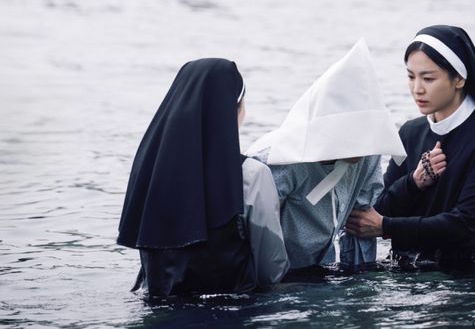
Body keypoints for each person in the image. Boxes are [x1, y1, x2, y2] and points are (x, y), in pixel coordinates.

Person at [346, 25, 475, 267]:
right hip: (414, 267)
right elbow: (378, 208)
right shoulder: (410, 132)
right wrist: (413, 183)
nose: (417, 89)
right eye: (411, 77)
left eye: (428, 78)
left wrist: (386, 228)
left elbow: (465, 223)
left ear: (459, 79)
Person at [117, 58, 289, 297]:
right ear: (233, 109)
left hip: (158, 303)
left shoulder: (149, 170)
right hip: (235, 307)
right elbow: (270, 269)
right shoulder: (252, 174)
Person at [246, 39, 407, 271]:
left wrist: (359, 277)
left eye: (367, 134)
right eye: (353, 137)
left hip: (322, 266)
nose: (362, 148)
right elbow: (255, 230)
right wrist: (274, 281)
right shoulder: (280, 160)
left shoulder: (368, 154)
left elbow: (359, 223)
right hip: (277, 273)